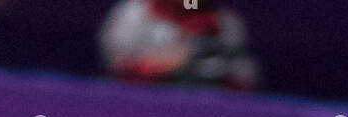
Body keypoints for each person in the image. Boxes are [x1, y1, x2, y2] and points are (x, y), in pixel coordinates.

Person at [98, 0, 258, 90]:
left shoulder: (223, 25)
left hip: (207, 113)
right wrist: (178, 60)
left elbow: (244, 82)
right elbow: (121, 68)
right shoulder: (135, 14)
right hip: (145, 108)